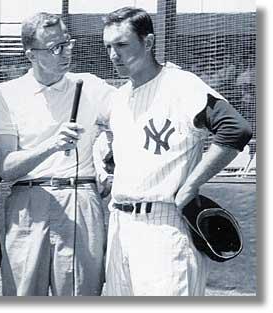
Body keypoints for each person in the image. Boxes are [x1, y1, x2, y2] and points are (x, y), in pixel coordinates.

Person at [100, 7, 252, 296]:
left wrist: (191, 185)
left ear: (148, 42)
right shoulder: (118, 98)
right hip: (120, 226)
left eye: (121, 45)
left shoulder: (181, 85)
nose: (113, 55)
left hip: (164, 226)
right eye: (108, 46)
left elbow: (235, 128)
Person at [0, 12, 115, 296]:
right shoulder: (7, 92)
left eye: (67, 43)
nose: (65, 52)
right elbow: (7, 167)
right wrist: (52, 145)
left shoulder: (91, 86)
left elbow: (130, 114)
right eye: (54, 48)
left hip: (80, 198)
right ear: (31, 54)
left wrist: (111, 163)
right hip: (27, 202)